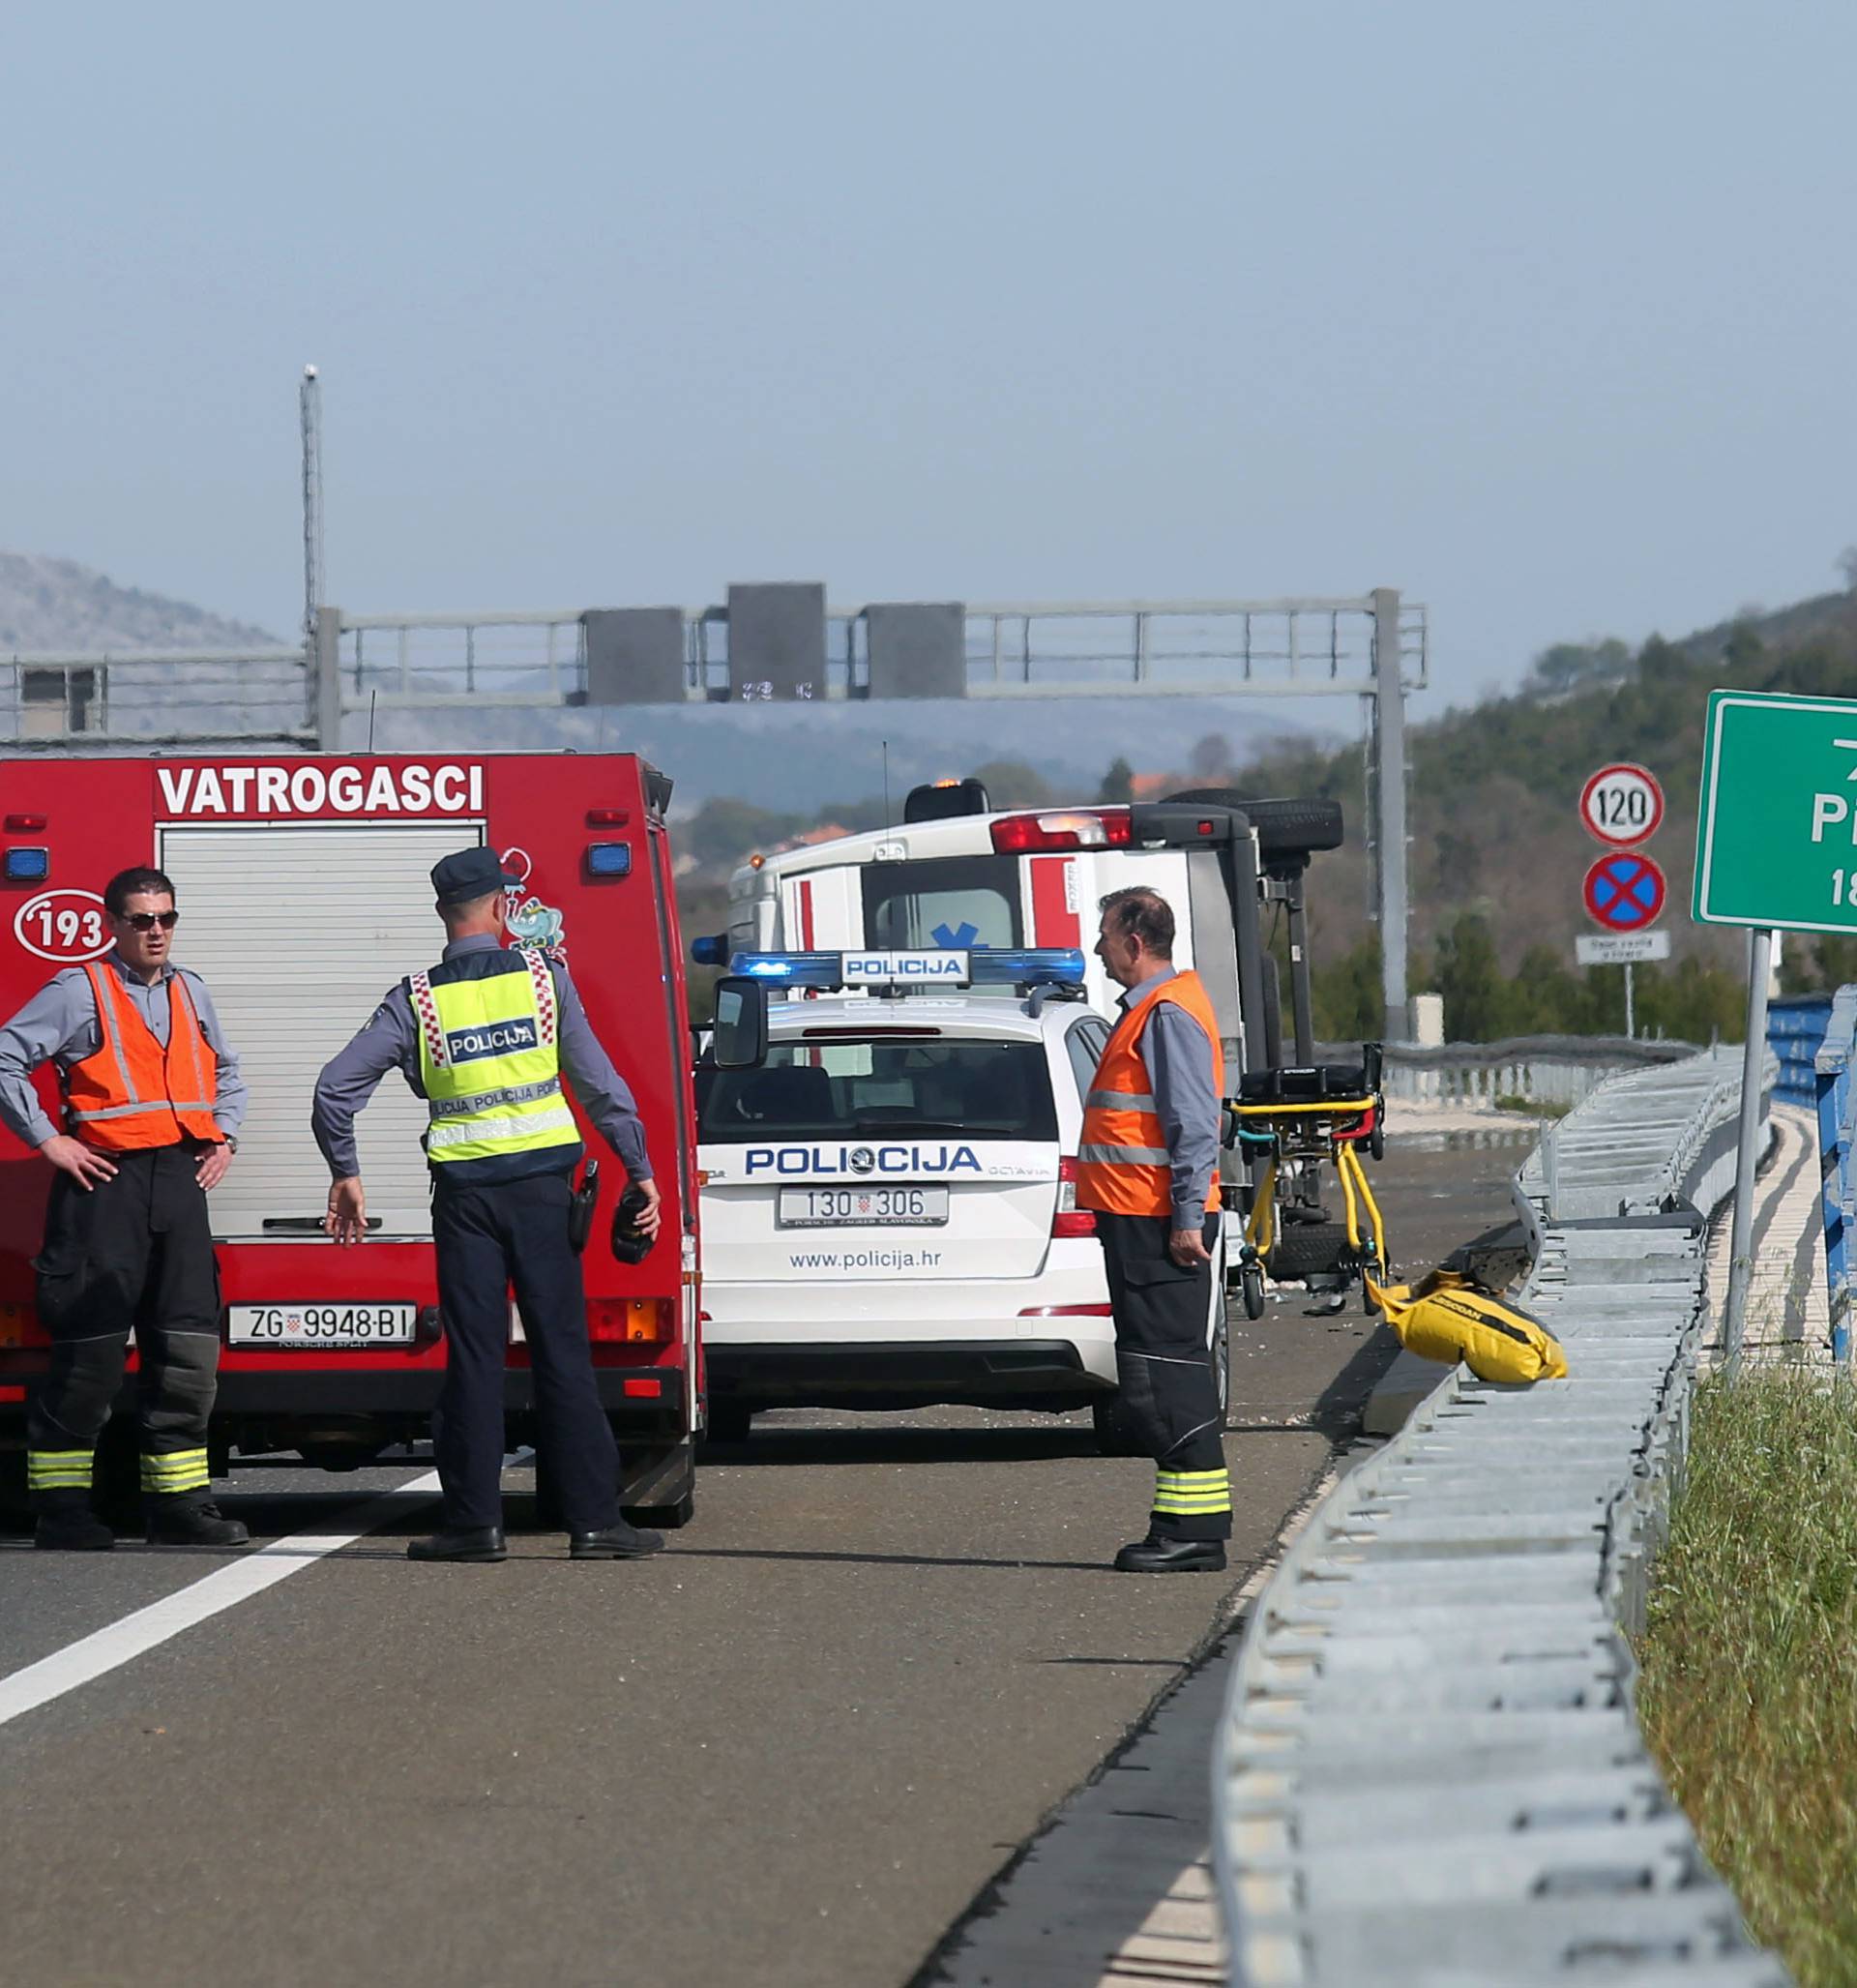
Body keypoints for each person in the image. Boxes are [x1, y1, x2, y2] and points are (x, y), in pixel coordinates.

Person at [313, 846, 663, 1564]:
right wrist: (639, 1170)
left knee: (473, 1357)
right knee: (561, 1352)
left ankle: (476, 1525)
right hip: (543, 1192)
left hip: (466, 1198)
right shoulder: (545, 981)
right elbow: (601, 1084)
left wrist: (346, 1172)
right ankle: (595, 1523)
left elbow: (333, 1090)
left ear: (444, 913)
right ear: (504, 906)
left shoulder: (416, 997)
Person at [0, 866, 250, 1551]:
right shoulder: (80, 990)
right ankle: (63, 1512)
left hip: (179, 1185)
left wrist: (224, 1134)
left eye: (166, 917)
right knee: (89, 1360)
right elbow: (4, 1057)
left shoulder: (192, 990)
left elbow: (227, 1070)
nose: (157, 930)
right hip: (103, 1187)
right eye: (142, 919)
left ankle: (179, 1508)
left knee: (188, 1355)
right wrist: (48, 1140)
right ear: (113, 924)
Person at [1078, 886, 1232, 1572]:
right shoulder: (1153, 1011)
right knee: (1160, 1372)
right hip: (1141, 1220)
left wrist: (1186, 1220)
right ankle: (1183, 1525)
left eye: (1104, 937)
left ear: (1135, 943)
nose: (1097, 948)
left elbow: (1195, 1125)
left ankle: (1193, 1534)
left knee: (1167, 1375)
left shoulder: (1165, 1014)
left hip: (1159, 1226)